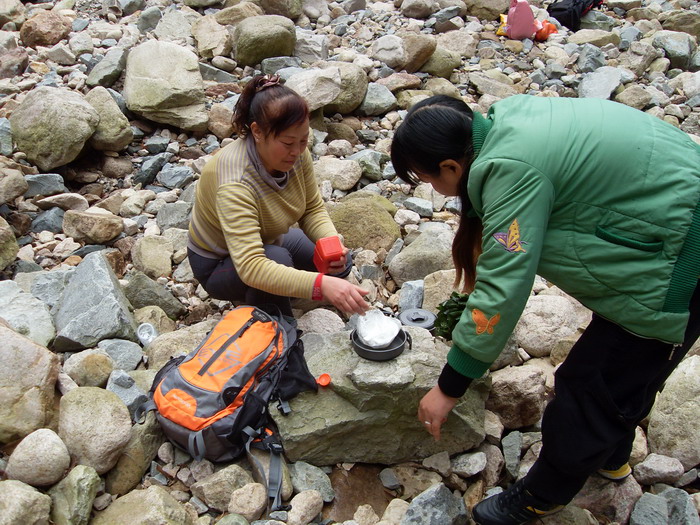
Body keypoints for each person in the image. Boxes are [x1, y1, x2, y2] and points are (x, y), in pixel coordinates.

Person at [390, 94, 700, 525]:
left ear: (450, 167)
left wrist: (450, 385)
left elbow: (504, 285)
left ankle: (545, 493)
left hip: (680, 252)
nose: (433, 190)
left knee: (590, 386)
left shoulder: (510, 169)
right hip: (667, 211)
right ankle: (610, 456)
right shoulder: (507, 121)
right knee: (631, 367)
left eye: (427, 179)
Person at [187, 74, 369, 323]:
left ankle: (281, 289)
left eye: (303, 140)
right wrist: (319, 286)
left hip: (269, 238)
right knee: (276, 262)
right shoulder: (234, 183)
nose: (297, 151)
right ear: (257, 132)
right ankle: (276, 325)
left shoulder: (296, 153)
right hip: (221, 262)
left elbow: (312, 208)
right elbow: (252, 266)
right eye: (287, 143)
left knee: (338, 262)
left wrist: (331, 243)